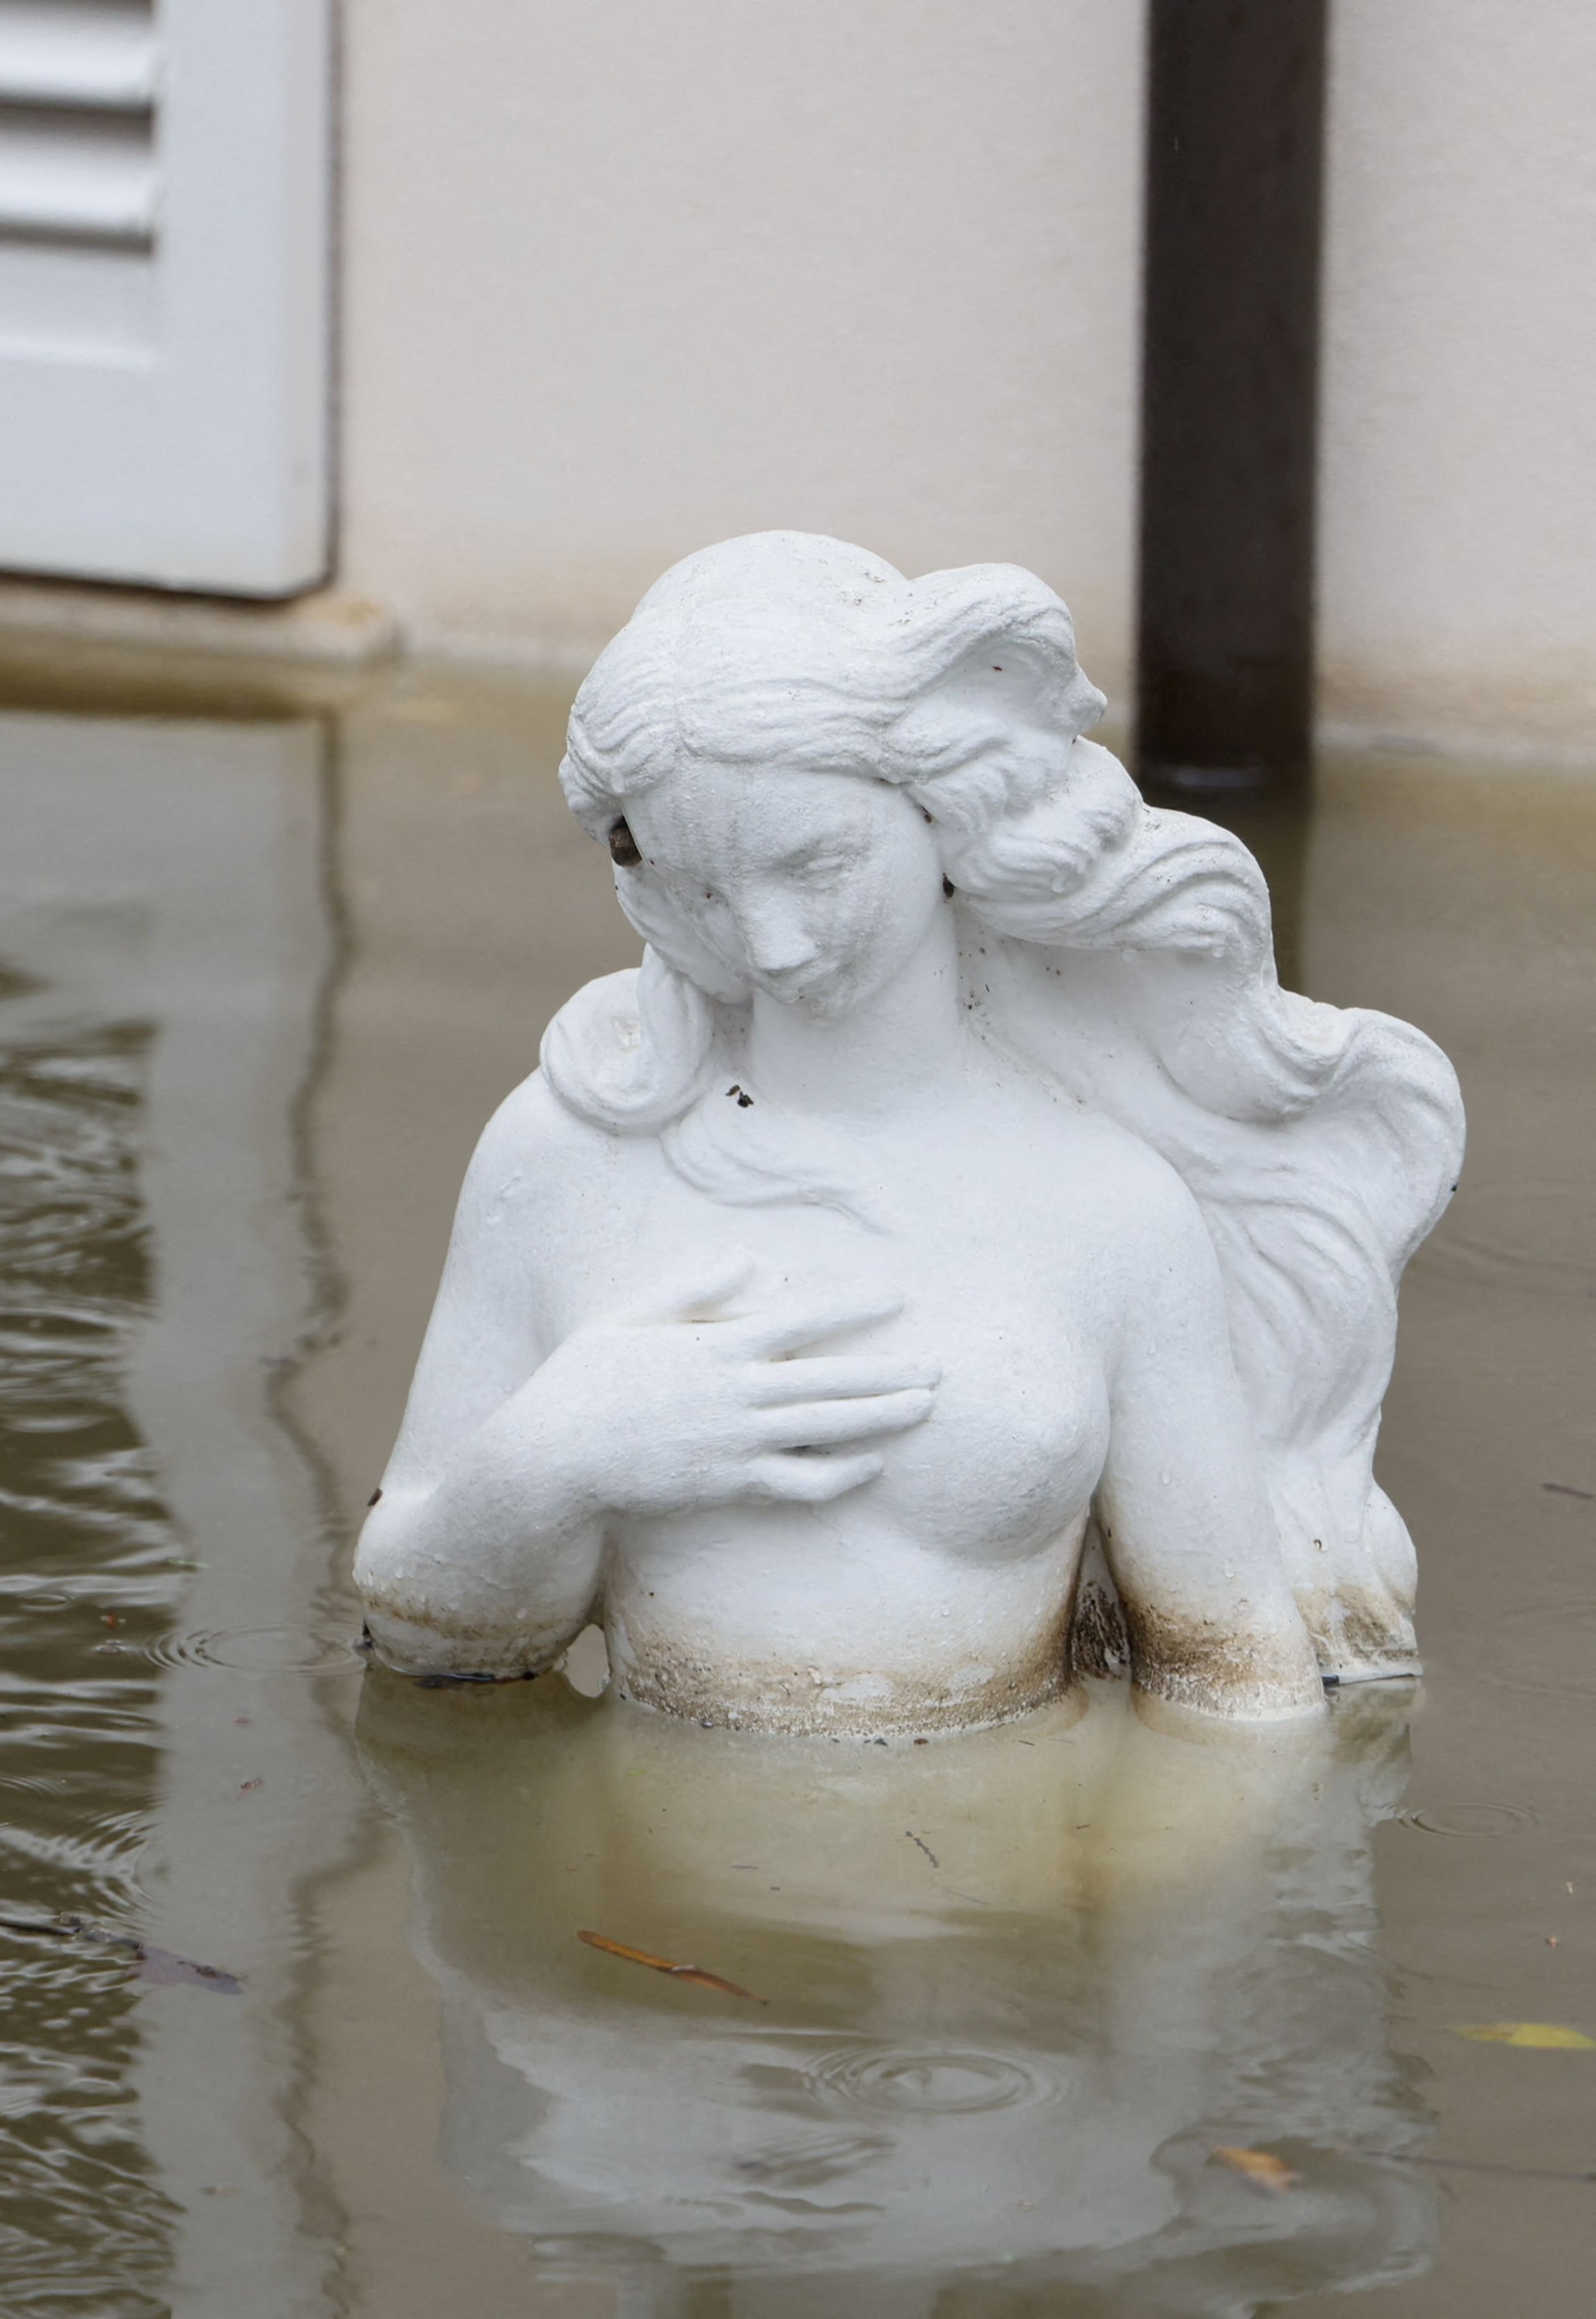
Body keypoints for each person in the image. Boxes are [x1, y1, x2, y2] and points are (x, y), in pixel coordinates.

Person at [353, 533, 1462, 1735]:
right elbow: (423, 1646)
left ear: (944, 811)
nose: (769, 943)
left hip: (1007, 1890)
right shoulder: (568, 1158)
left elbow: (1238, 1689)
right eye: (702, 888)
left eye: (814, 863)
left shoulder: (1109, 1206)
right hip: (639, 1908)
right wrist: (560, 1453)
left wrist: (1152, 1912)